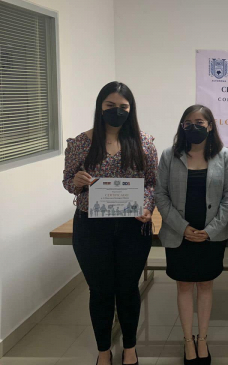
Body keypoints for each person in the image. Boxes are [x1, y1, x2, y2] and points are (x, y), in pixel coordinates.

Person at [62, 82, 157, 365]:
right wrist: (76, 182)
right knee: (100, 290)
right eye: (110, 106)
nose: (117, 112)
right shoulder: (81, 142)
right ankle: (104, 349)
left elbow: (151, 183)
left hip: (132, 227)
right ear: (100, 108)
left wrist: (147, 207)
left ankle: (129, 347)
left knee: (128, 288)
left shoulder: (144, 142)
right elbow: (68, 180)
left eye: (123, 108)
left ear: (131, 109)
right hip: (92, 228)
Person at [155, 105, 228, 365]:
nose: (194, 126)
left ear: (210, 125)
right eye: (188, 122)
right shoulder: (169, 155)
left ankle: (203, 339)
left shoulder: (224, 156)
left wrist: (210, 231)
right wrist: (182, 227)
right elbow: (160, 195)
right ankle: (188, 340)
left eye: (199, 122)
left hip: (211, 234)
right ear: (182, 126)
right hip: (180, 233)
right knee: (184, 285)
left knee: (206, 285)